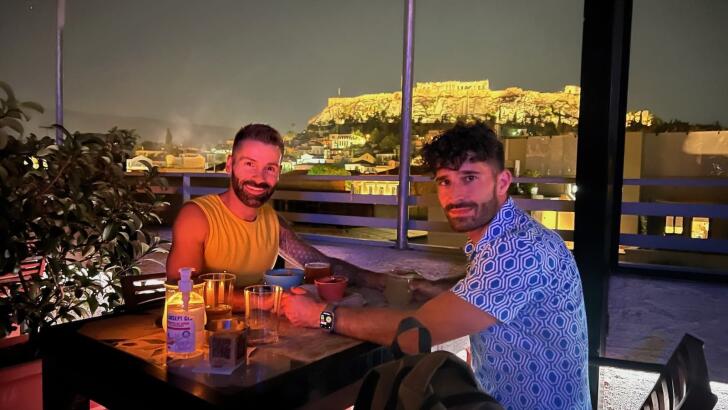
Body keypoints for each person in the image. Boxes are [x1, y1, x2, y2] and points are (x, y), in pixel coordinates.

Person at [283, 122, 591, 410]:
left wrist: (320, 316)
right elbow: (482, 291)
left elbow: (415, 333)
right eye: (445, 181)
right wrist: (433, 289)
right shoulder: (508, 237)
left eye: (470, 178)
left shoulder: (519, 250)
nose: (456, 194)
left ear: (503, 182)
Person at [166, 123, 386, 304]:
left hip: (259, 330)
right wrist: (264, 300)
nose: (259, 177)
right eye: (249, 164)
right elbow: (181, 288)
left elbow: (320, 264)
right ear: (230, 165)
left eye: (270, 168)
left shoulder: (272, 221)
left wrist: (380, 280)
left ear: (279, 173)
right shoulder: (197, 217)